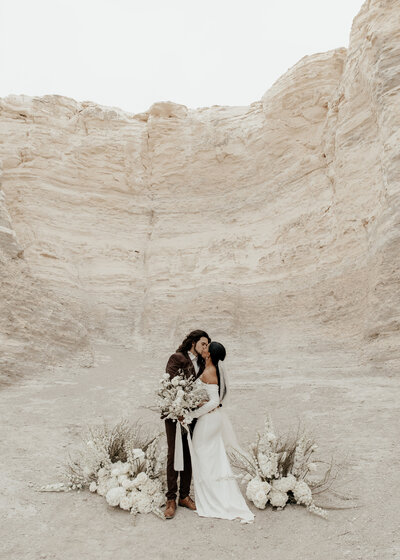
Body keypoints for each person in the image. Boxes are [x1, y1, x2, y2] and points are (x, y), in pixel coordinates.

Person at [185, 341, 254, 523]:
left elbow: (214, 401)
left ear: (210, 355)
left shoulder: (210, 372)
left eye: (207, 348)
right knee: (214, 457)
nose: (204, 349)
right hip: (212, 419)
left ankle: (214, 497)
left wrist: (192, 414)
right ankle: (222, 492)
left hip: (208, 421)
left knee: (204, 456)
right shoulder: (209, 368)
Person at [163, 329, 211, 520]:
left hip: (193, 415)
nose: (205, 347)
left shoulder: (202, 362)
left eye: (207, 344)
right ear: (193, 343)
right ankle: (171, 499)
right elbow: (171, 386)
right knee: (174, 453)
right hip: (175, 414)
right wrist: (182, 408)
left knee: (190, 453)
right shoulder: (177, 358)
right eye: (203, 344)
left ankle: (184, 495)